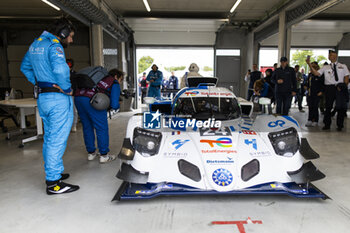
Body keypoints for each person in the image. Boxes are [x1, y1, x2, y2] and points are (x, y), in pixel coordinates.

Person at [20, 18, 79, 195]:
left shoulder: (35, 44)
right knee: (57, 140)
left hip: (44, 98)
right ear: (62, 33)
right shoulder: (54, 46)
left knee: (50, 138)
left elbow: (25, 67)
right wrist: (67, 88)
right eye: (70, 36)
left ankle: (56, 173)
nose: (71, 40)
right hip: (58, 99)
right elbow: (61, 70)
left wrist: (41, 83)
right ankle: (53, 183)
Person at [74, 68, 123, 162]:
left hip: (79, 98)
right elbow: (114, 105)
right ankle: (104, 155)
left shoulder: (97, 79)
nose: (120, 82)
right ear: (116, 76)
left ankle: (91, 153)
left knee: (87, 126)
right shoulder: (113, 82)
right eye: (121, 79)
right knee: (101, 128)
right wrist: (116, 106)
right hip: (94, 101)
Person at [307, 50, 349, 131]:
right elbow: (316, 73)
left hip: (339, 87)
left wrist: (344, 86)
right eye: (330, 55)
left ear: (336, 56)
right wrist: (309, 64)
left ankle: (340, 125)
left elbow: (346, 77)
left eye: (333, 55)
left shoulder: (343, 66)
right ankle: (327, 124)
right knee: (328, 106)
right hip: (329, 88)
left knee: (340, 107)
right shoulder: (325, 67)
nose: (331, 56)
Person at [305, 62, 324, 127]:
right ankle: (309, 120)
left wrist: (321, 91)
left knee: (315, 107)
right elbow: (307, 83)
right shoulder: (310, 75)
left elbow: (323, 84)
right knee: (310, 107)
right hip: (310, 93)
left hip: (317, 93)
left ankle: (315, 120)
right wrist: (306, 87)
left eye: (313, 66)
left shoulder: (320, 74)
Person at [66, 58, 78, 132]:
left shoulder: (75, 74)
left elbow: (76, 85)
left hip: (72, 93)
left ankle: (74, 125)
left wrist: (74, 93)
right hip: (63, 93)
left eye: (69, 64)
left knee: (74, 110)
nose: (68, 65)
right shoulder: (62, 73)